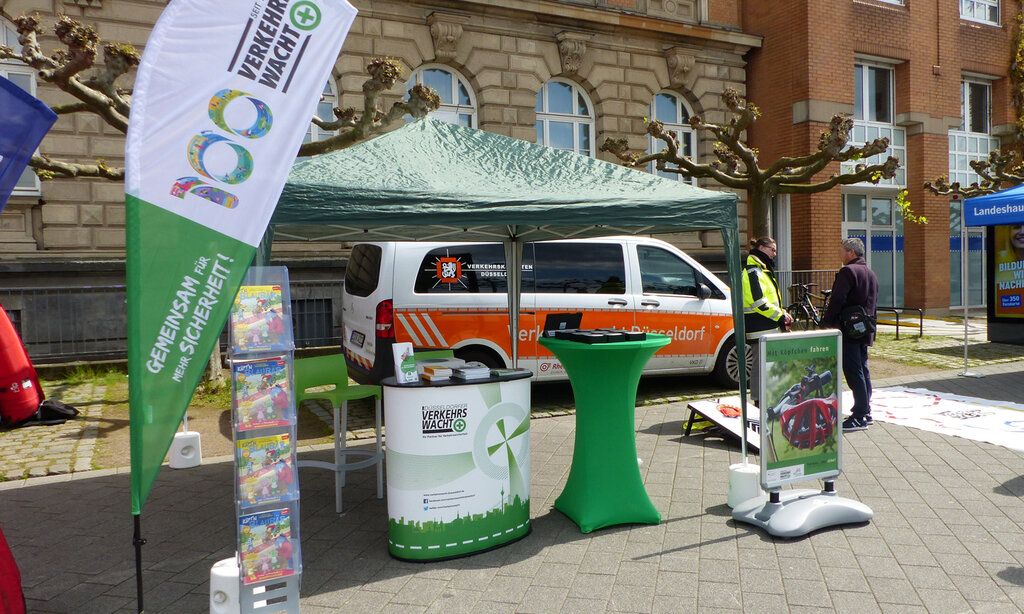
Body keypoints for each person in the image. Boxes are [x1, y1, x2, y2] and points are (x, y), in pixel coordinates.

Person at [822, 238, 879, 432]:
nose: (839, 254)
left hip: (849, 330)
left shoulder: (848, 271)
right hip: (864, 329)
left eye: (841, 250)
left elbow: (837, 300)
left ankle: (859, 415)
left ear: (851, 253)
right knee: (863, 370)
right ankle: (866, 411)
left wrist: (826, 323)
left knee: (854, 372)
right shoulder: (870, 273)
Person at [741, 237, 792, 406]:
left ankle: (767, 400)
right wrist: (780, 315)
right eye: (773, 249)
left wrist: (782, 312)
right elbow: (758, 302)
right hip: (760, 327)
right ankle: (758, 402)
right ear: (762, 248)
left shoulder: (761, 269)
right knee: (759, 367)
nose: (775, 254)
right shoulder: (753, 271)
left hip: (767, 326)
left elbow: (769, 300)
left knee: (767, 366)